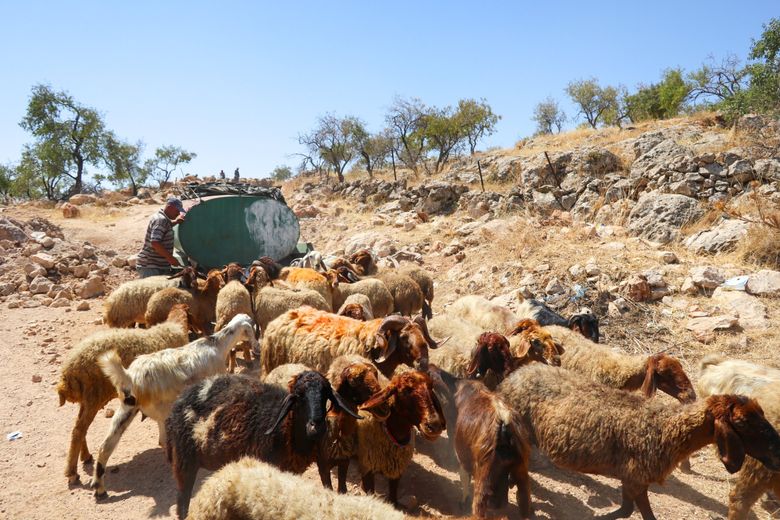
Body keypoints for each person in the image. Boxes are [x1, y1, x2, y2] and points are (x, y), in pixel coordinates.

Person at [135, 197, 186, 278]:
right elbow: (155, 242)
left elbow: (165, 227)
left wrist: (176, 222)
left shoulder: (163, 219)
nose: (178, 214)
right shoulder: (161, 220)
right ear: (170, 207)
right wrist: (170, 258)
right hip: (151, 267)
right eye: (177, 211)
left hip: (156, 265)